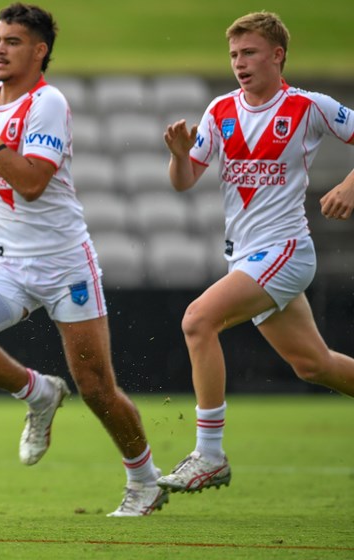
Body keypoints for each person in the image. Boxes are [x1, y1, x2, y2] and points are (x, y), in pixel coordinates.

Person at [0, 3, 167, 517]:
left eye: (12, 41)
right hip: (9, 264)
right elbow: (2, 175)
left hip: (64, 266)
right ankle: (38, 393)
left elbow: (34, 182)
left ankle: (144, 481)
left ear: (39, 51)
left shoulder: (48, 102)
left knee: (98, 388)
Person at [159, 11, 354, 495]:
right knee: (314, 365)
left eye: (249, 53)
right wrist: (180, 156)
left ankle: (209, 455)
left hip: (286, 250)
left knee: (197, 320)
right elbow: (184, 183)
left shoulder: (310, 106)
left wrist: (351, 184)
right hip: (246, 258)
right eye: (233, 55)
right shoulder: (221, 109)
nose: (239, 63)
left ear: (277, 55)